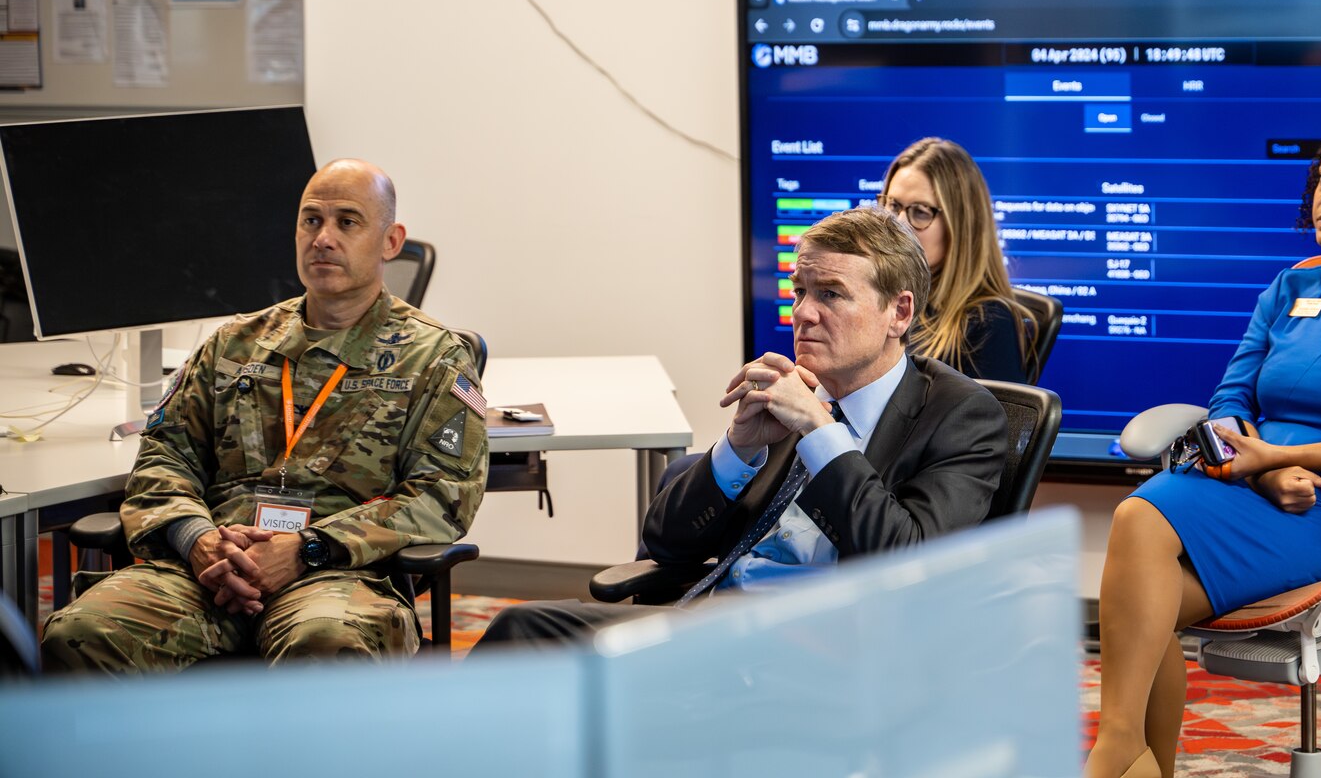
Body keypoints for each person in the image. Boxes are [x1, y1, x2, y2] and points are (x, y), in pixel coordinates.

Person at [1087, 120, 1321, 778]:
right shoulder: (1291, 288)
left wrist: (1282, 463)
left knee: (1137, 563)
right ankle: (1132, 754)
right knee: (1142, 607)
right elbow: (1231, 401)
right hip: (1251, 489)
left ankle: (1118, 752)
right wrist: (1262, 472)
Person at [474, 206, 1006, 646]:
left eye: (831, 294)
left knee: (525, 636)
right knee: (524, 633)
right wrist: (738, 448)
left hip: (823, 648)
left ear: (899, 312)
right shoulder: (794, 398)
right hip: (712, 622)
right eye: (799, 291)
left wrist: (822, 433)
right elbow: (665, 546)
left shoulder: (961, 416)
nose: (803, 312)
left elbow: (908, 563)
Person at [40, 159, 489, 672]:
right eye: (311, 220)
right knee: (81, 633)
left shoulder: (434, 357)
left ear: (390, 242)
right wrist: (197, 540)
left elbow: (443, 495)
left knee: (325, 648)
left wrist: (307, 549)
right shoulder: (234, 343)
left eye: (347, 222)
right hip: (210, 567)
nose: (323, 238)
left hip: (337, 575)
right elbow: (165, 456)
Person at [878, 137, 1031, 382]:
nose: (899, 224)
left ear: (960, 226)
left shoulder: (988, 324)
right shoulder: (884, 299)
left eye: (920, 212)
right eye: (893, 206)